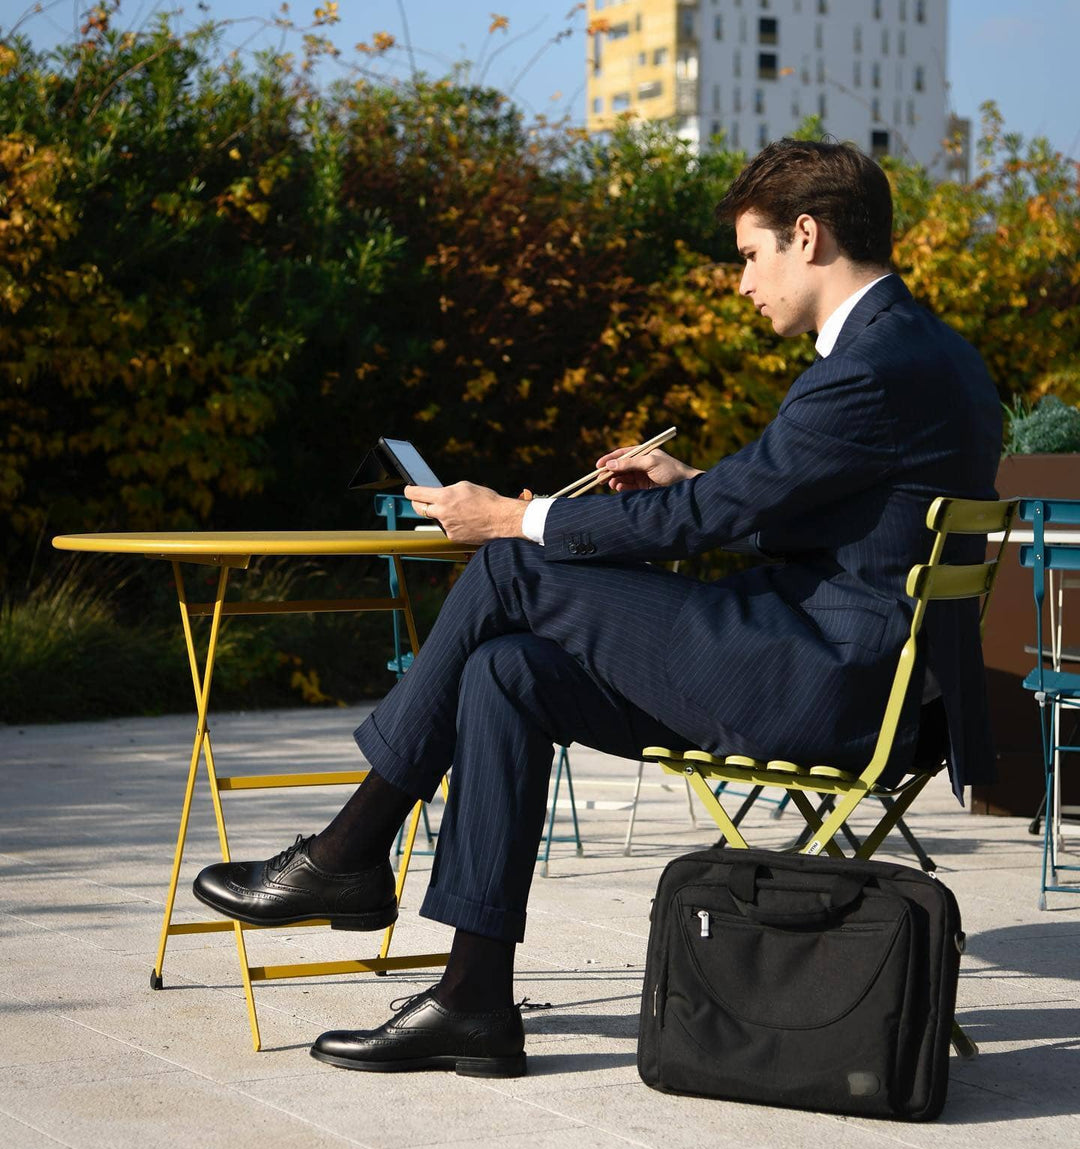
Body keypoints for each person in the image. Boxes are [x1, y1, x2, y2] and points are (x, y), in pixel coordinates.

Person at [193, 139, 1001, 1079]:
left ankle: (350, 847)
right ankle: (473, 1000)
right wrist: (691, 481)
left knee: (506, 570)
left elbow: (715, 521)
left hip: (818, 683)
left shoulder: (867, 366)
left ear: (807, 236)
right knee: (507, 673)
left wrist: (516, 515)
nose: (743, 283)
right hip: (851, 671)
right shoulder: (931, 350)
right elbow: (836, 519)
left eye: (749, 254)